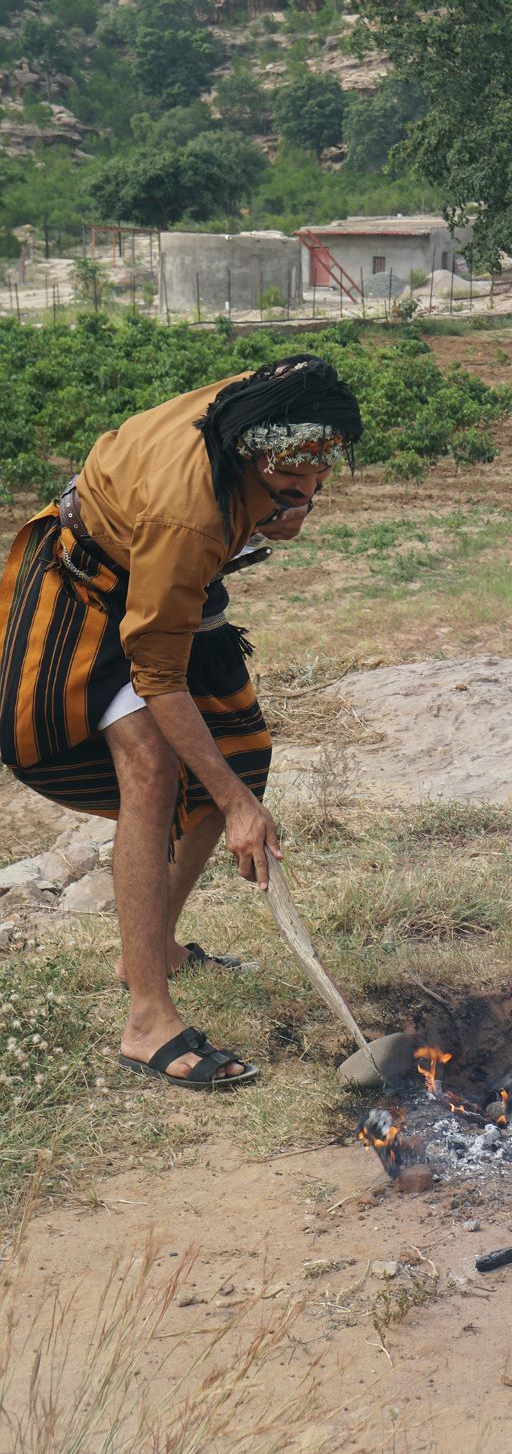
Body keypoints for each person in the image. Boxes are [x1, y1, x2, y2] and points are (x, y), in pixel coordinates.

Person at [0, 356, 363, 1090]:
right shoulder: (187, 513)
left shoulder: (269, 401)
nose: (306, 498)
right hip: (85, 588)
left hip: (159, 579)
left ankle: (151, 944)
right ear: (251, 459)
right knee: (155, 769)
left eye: (320, 484)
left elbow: (264, 506)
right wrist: (233, 806)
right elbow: (156, 673)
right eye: (291, 488)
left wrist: (285, 506)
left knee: (243, 750)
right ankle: (146, 1017)